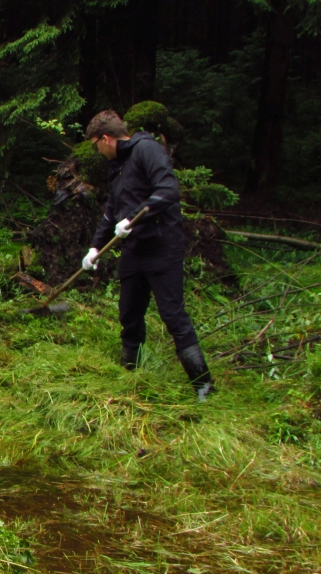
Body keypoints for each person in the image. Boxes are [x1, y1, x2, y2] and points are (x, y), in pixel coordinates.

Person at [81, 109, 214, 401]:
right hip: (134, 251)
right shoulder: (117, 166)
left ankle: (203, 383)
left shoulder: (147, 150)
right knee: (129, 313)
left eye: (96, 144)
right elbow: (111, 213)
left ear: (106, 138)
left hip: (161, 247)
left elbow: (168, 190)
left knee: (172, 314)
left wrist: (134, 219)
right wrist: (94, 247)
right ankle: (131, 374)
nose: (98, 151)